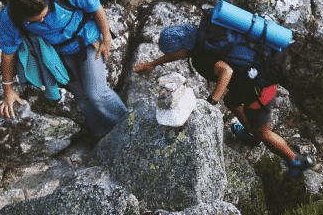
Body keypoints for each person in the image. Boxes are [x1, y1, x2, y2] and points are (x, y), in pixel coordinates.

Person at [133, 25, 312, 177]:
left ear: (183, 46)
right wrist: (153, 63)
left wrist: (211, 101)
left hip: (259, 91)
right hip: (248, 83)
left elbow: (226, 71)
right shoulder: (203, 35)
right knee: (231, 102)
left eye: (172, 51)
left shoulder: (201, 58)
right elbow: (178, 53)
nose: (171, 55)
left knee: (263, 134)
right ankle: (250, 131)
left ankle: (296, 161)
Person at [0, 0, 128, 138]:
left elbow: (94, 4)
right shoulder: (9, 18)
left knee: (97, 93)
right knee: (81, 97)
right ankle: (103, 135)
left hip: (87, 42)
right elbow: (8, 52)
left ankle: (128, 128)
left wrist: (106, 38)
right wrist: (8, 90)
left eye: (45, 15)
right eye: (36, 21)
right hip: (61, 53)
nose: (43, 22)